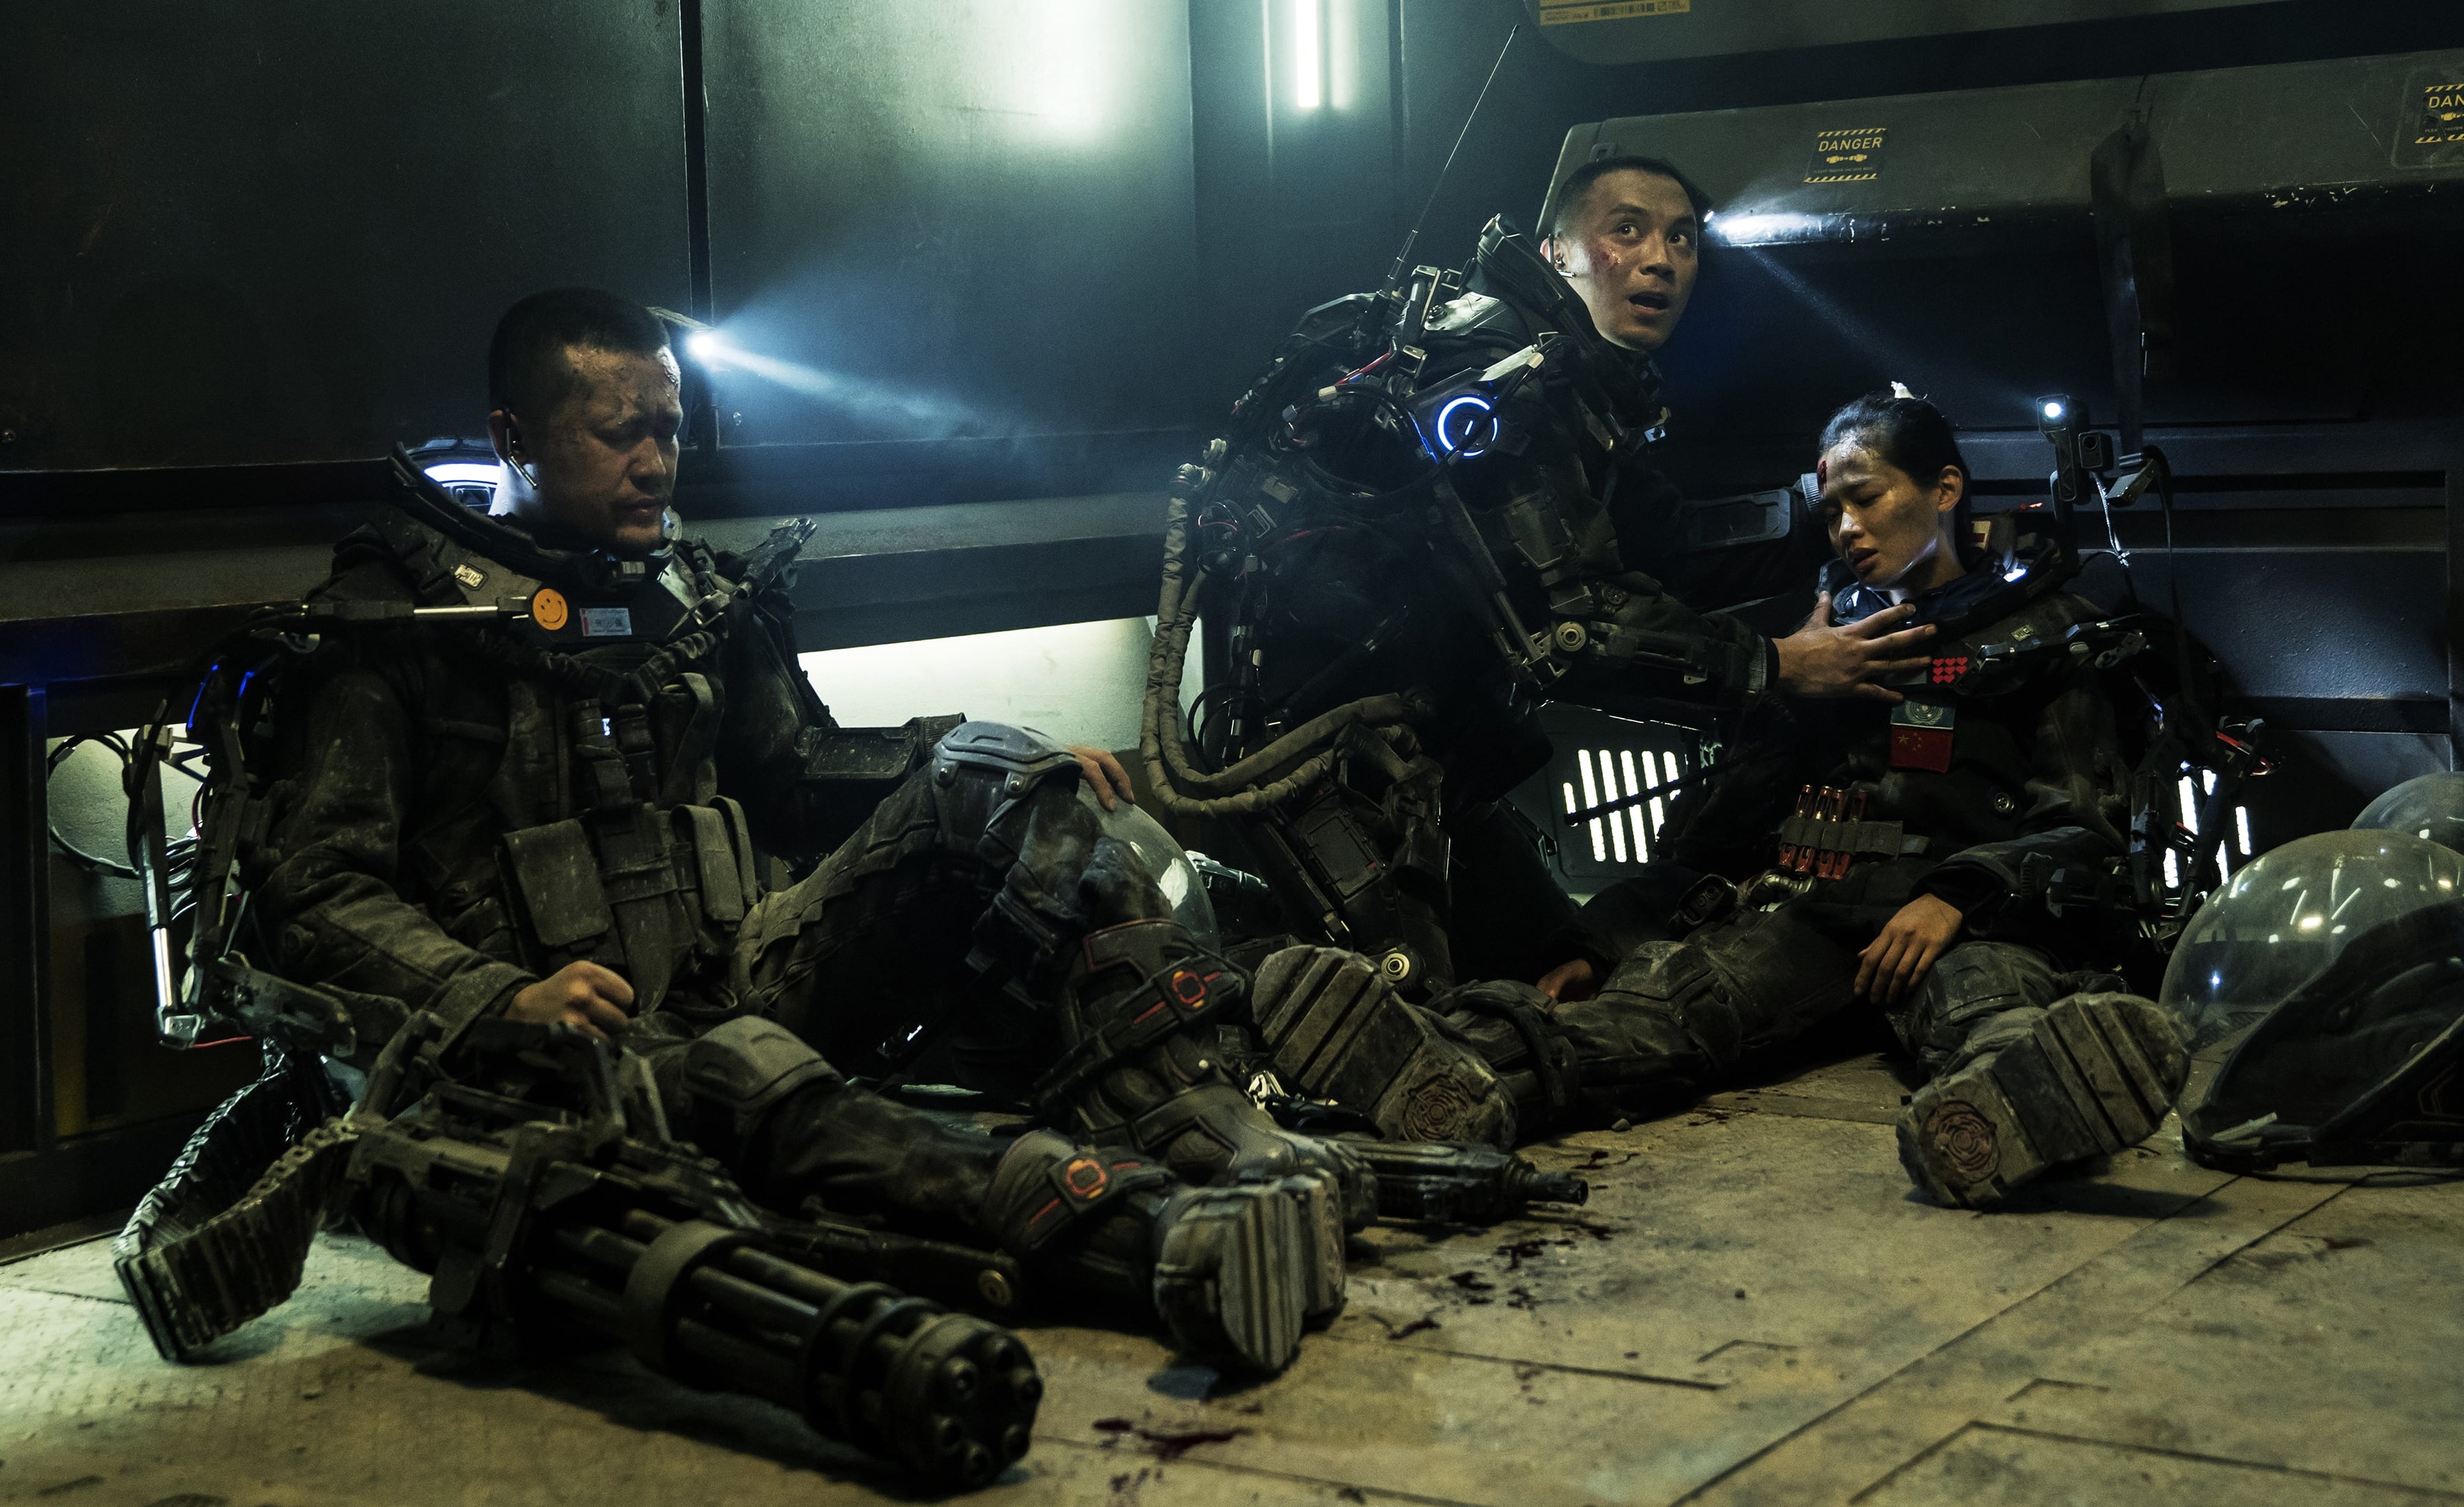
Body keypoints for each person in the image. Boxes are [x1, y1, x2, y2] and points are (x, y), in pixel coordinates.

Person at [246, 287, 1364, 1372]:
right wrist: (496, 1001)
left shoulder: (690, 593)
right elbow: (318, 892)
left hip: (737, 970)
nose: (655, 461)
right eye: (620, 432)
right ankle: (1151, 1231)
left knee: (1005, 777)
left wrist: (997, 762)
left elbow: (797, 773)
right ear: (514, 436)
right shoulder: (397, 620)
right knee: (754, 1081)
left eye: (668, 429)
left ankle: (1215, 1127)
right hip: (546, 1055)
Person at [1146, 158, 1933, 1141]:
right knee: (1402, 1060)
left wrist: (1830, 516)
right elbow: (1575, 627)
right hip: (1327, 768)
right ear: (1558, 250)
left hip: (1429, 770)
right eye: (1627, 230)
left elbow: (1665, 554)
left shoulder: (1578, 390)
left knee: (1556, 976)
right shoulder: (1500, 371)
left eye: (1682, 238)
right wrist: (1779, 663)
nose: (1660, 260)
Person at [1250, 392, 2191, 1208]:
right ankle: (1430, 1071)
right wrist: (1596, 942)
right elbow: (1717, 837)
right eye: (1831, 510)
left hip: (1967, 927)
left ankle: (2003, 1119)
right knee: (1672, 1005)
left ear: (1944, 490)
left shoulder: (2046, 637)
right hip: (1818, 918)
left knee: (1991, 1003)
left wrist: (1958, 895)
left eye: (1867, 498)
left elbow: (2087, 827)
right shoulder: (1817, 651)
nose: (1847, 529)